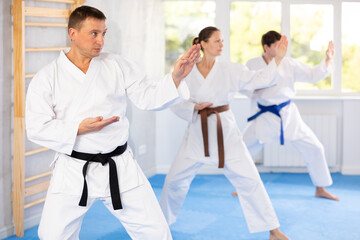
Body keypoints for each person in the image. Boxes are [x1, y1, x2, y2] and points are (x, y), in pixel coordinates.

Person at [25, 6, 201, 240]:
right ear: (73, 33)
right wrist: (79, 127)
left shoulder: (116, 65)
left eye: (103, 33)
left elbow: (148, 97)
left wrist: (176, 77)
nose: (101, 41)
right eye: (94, 33)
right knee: (52, 235)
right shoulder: (48, 77)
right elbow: (36, 127)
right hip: (73, 169)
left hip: (120, 165)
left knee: (156, 232)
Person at [160, 26, 290, 240]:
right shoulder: (188, 71)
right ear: (203, 44)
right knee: (174, 181)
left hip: (226, 133)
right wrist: (193, 107)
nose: (222, 45)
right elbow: (174, 99)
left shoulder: (230, 69)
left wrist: (278, 60)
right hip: (196, 133)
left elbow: (259, 78)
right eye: (217, 41)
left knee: (250, 179)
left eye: (222, 41)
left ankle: (273, 230)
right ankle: (161, 226)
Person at [233, 30, 338, 201]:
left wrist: (328, 60)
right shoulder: (252, 64)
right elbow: (244, 85)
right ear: (266, 47)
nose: (283, 49)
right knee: (243, 148)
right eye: (277, 46)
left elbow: (312, 75)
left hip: (287, 115)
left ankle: (320, 188)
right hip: (264, 115)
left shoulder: (289, 63)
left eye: (283, 45)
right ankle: (242, 187)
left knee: (315, 147)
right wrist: (256, 89)